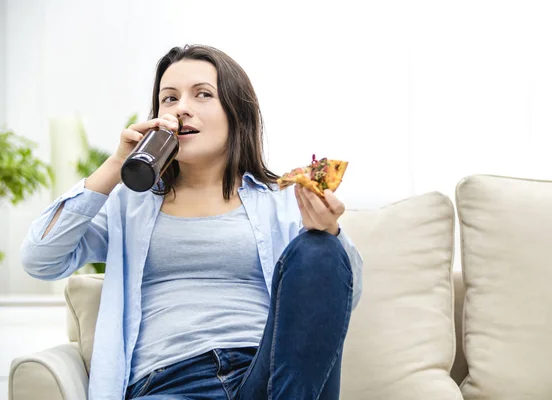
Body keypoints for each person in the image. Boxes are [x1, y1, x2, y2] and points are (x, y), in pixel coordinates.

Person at [20, 44, 363, 400]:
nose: (182, 107)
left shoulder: (282, 199)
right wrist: (115, 166)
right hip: (169, 383)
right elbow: (40, 258)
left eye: (202, 94)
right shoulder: (129, 203)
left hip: (268, 378)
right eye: (169, 99)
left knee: (320, 248)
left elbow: (339, 298)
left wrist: (329, 232)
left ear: (236, 112)